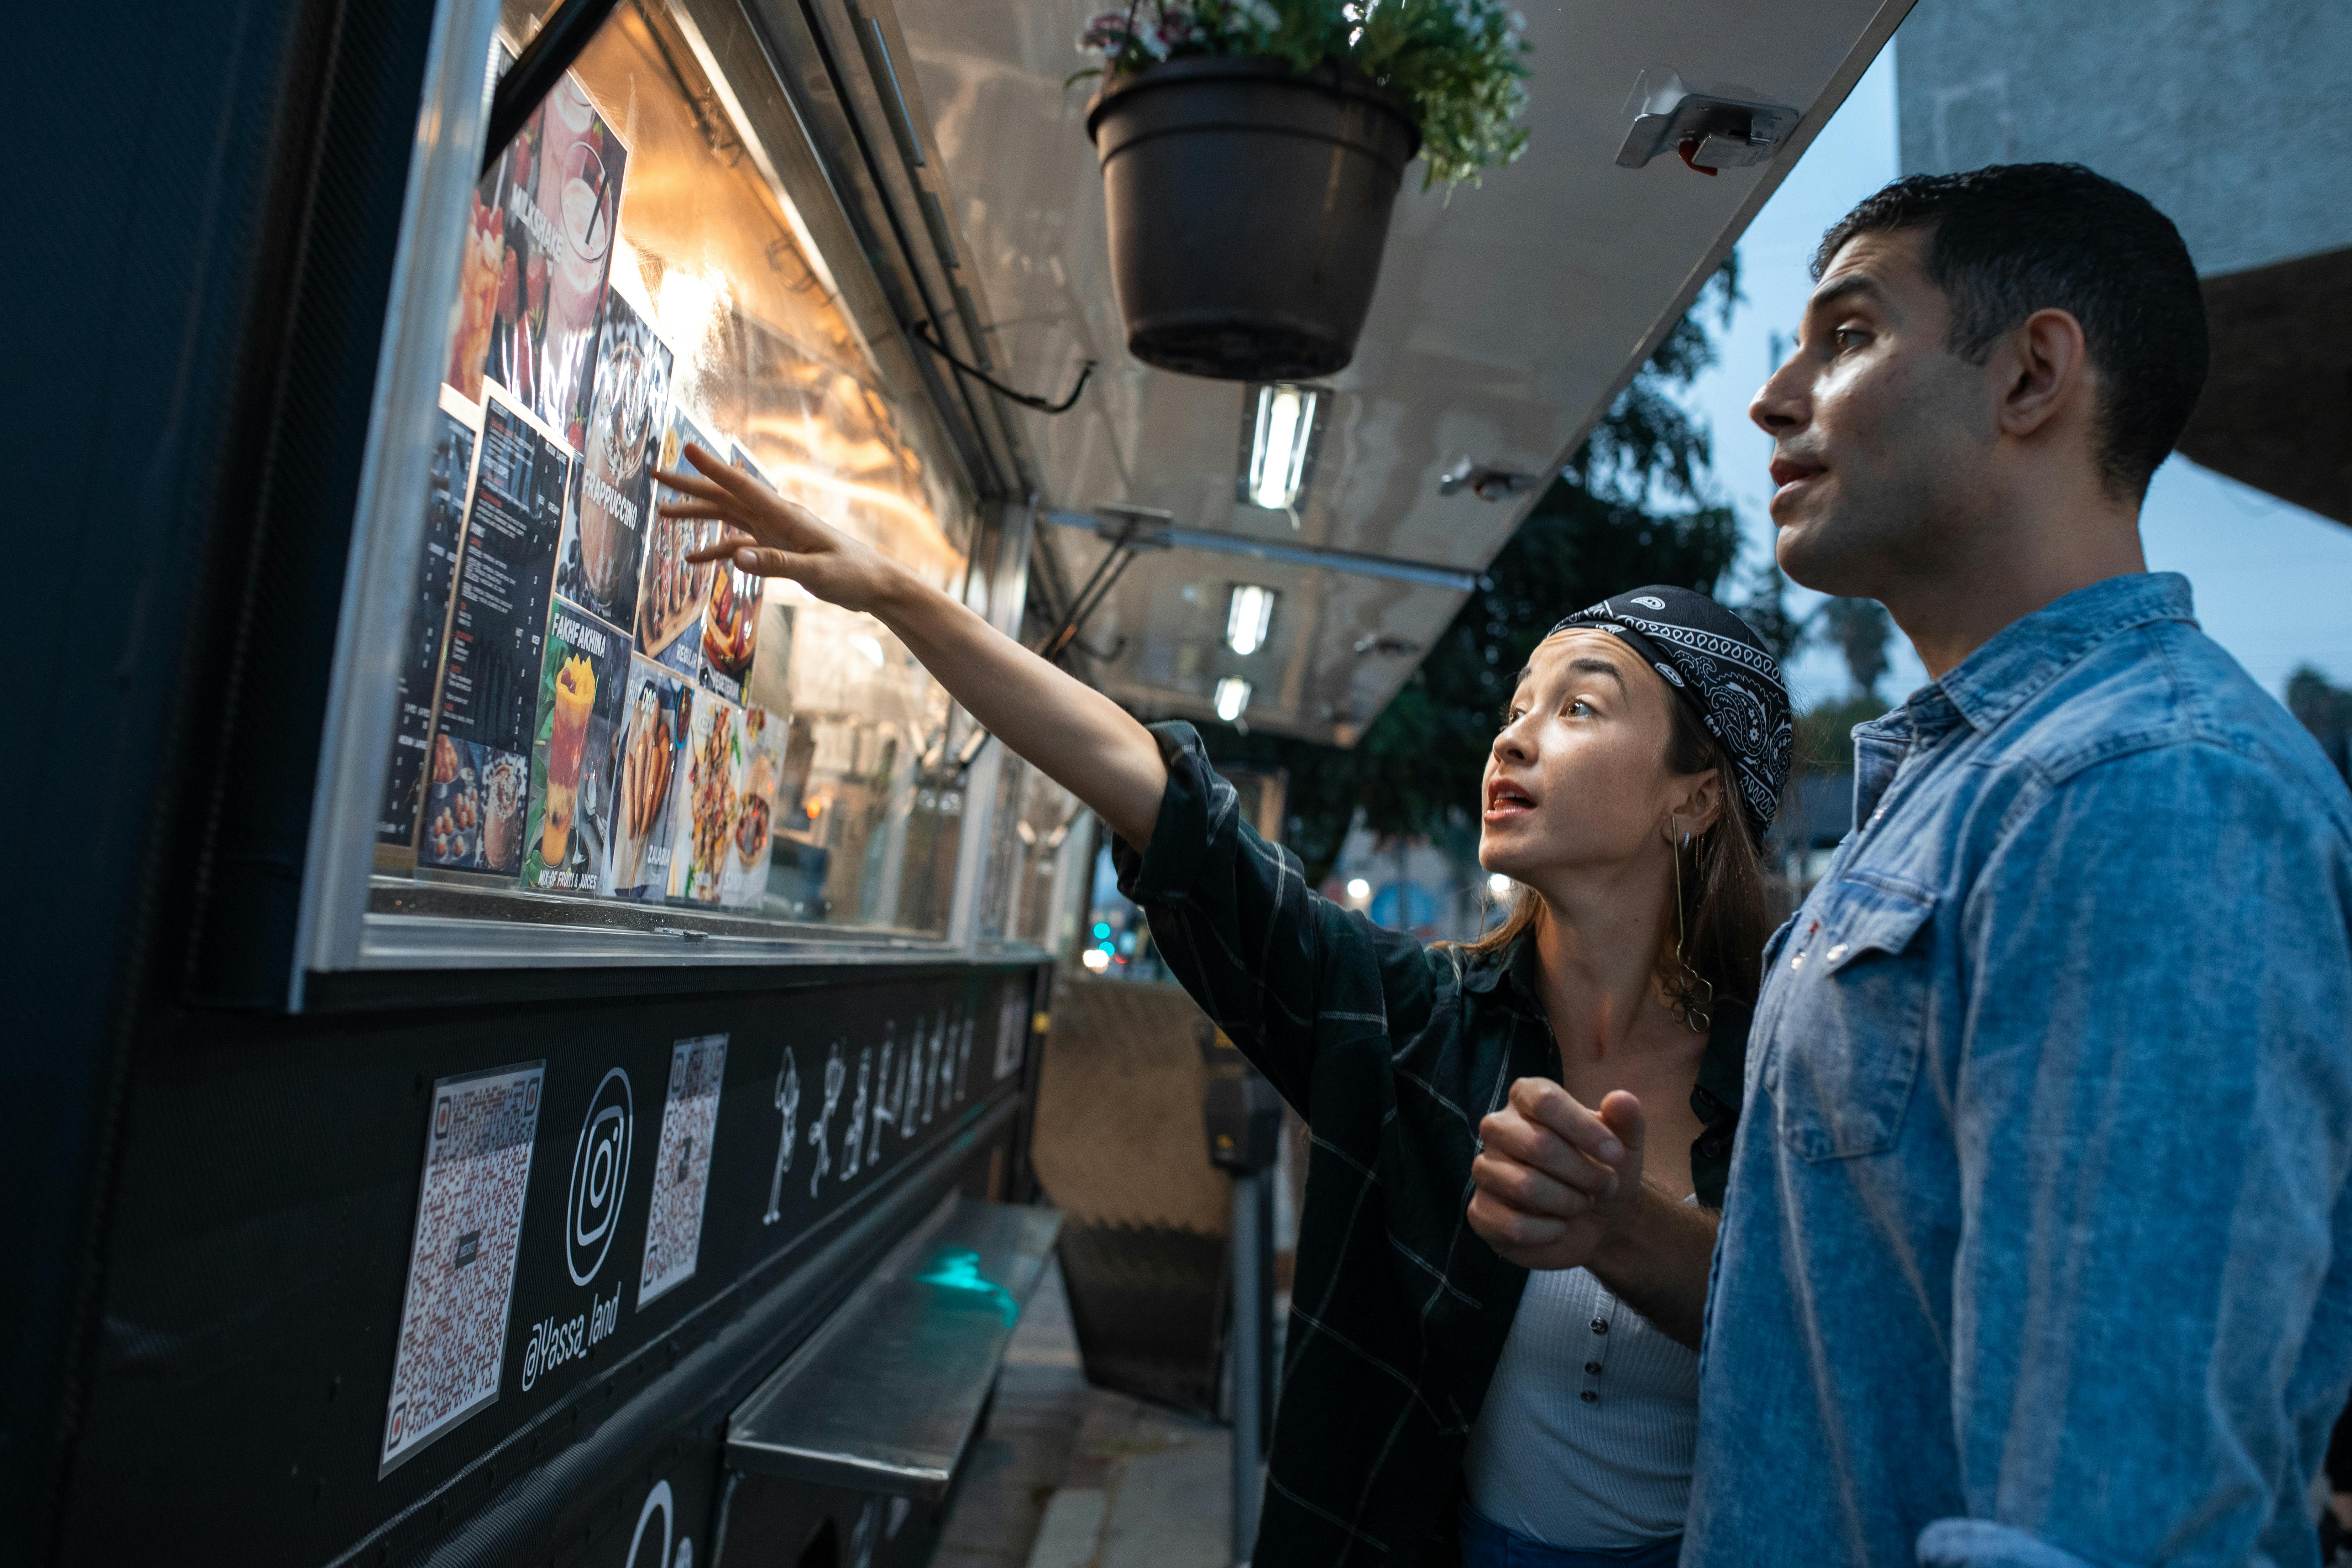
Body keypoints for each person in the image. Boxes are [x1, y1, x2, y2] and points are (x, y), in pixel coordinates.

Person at [650, 445, 1791, 1564]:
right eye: (1518, 705)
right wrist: (898, 595)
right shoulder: (1419, 1024)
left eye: (1582, 709)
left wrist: (1624, 1229)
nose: (1515, 735)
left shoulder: (1793, 1073)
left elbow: (1829, 1350)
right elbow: (1161, 799)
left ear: (1696, 799)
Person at [1468, 162, 2352, 1566]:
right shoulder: (1966, 787)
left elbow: (2101, 1525)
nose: (1770, 397)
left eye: (1846, 336)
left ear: (2029, 376)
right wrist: (1620, 1230)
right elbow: (1860, 1335)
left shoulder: (2147, 791)